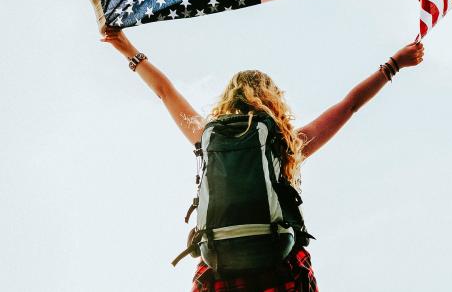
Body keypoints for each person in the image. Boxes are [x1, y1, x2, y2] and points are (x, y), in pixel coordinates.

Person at [100, 26, 424, 291]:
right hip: (281, 268)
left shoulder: (207, 136)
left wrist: (128, 49)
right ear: (273, 101)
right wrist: (394, 64)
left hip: (218, 272)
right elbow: (350, 105)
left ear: (228, 100)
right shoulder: (286, 143)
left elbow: (164, 91)